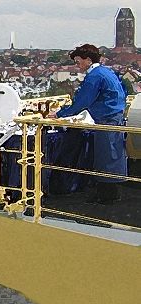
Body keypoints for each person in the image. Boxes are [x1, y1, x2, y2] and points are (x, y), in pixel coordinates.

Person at [52, 44, 127, 204]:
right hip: (114, 116)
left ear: (87, 60)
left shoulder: (94, 76)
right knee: (113, 154)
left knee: (106, 155)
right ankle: (110, 192)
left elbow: (83, 101)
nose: (77, 66)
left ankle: (107, 195)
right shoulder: (106, 71)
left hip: (106, 118)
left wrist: (60, 114)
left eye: (78, 62)